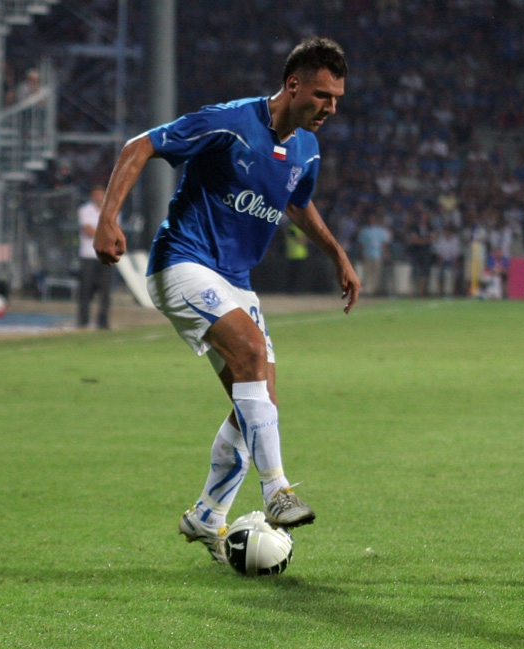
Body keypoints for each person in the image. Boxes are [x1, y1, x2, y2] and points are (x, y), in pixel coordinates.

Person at [93, 36, 360, 566]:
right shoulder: (229, 122)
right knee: (252, 356)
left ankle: (208, 515)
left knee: (259, 399)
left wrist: (337, 255)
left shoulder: (306, 148)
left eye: (337, 99)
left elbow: (298, 204)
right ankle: (278, 490)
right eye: (323, 96)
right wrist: (107, 218)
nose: (330, 108)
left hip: (236, 279)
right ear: (293, 84)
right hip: (183, 262)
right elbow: (139, 146)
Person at [77, 186, 112, 329]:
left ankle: (103, 321)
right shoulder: (84, 210)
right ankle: (83, 320)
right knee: (85, 290)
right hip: (88, 255)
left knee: (105, 291)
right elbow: (88, 230)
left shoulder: (112, 210)